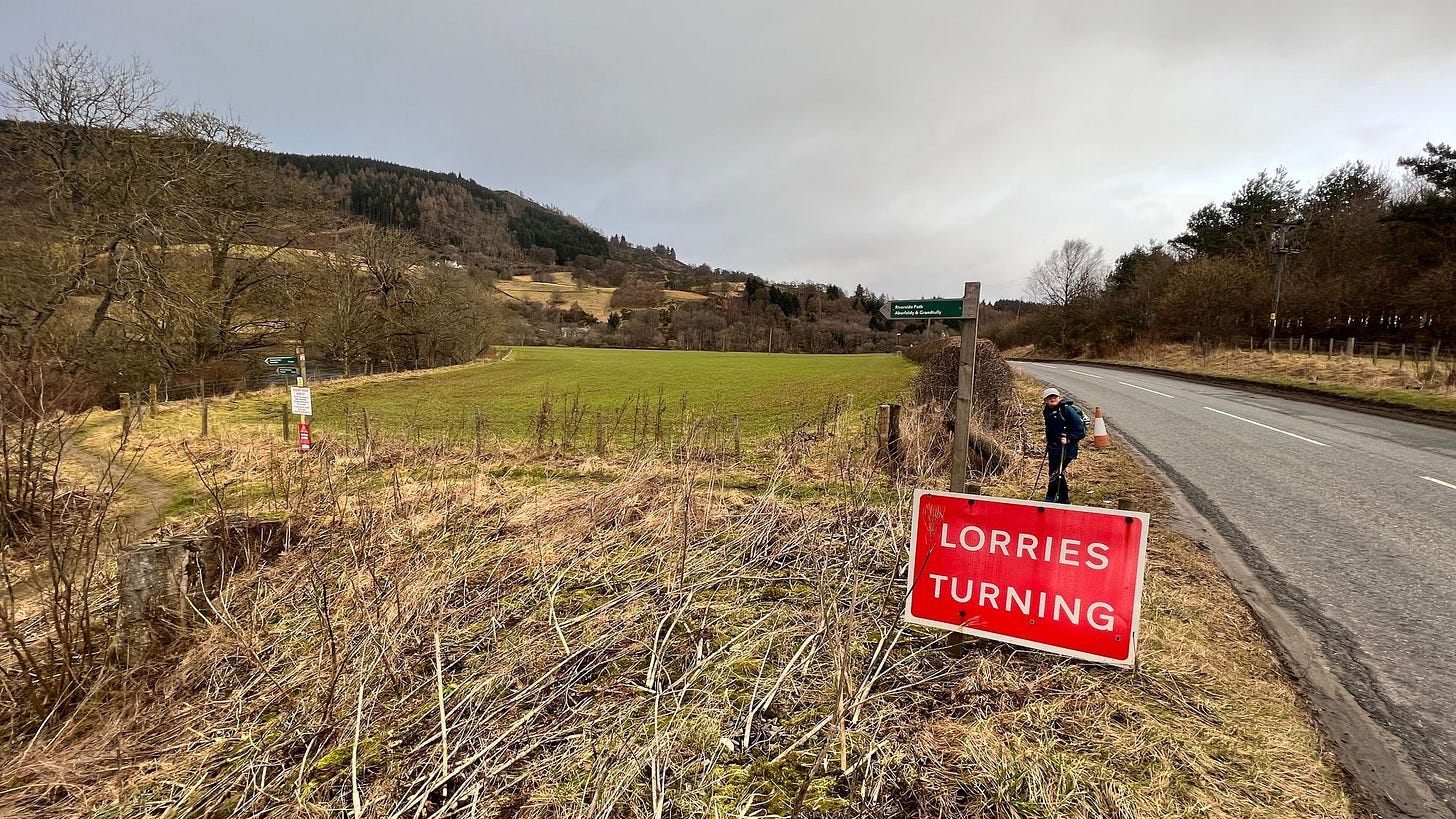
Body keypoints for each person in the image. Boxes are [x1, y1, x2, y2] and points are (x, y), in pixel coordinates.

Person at [1041, 386, 1086, 504]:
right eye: (1049, 397)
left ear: (1059, 398)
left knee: (1056, 472)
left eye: (1054, 396)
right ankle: (1063, 499)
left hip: (1067, 448)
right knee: (1056, 472)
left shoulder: (1067, 410)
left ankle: (1050, 497)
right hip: (1054, 447)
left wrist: (1069, 438)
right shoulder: (1047, 411)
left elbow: (1080, 430)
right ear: (1045, 400)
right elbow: (1050, 429)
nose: (1052, 399)